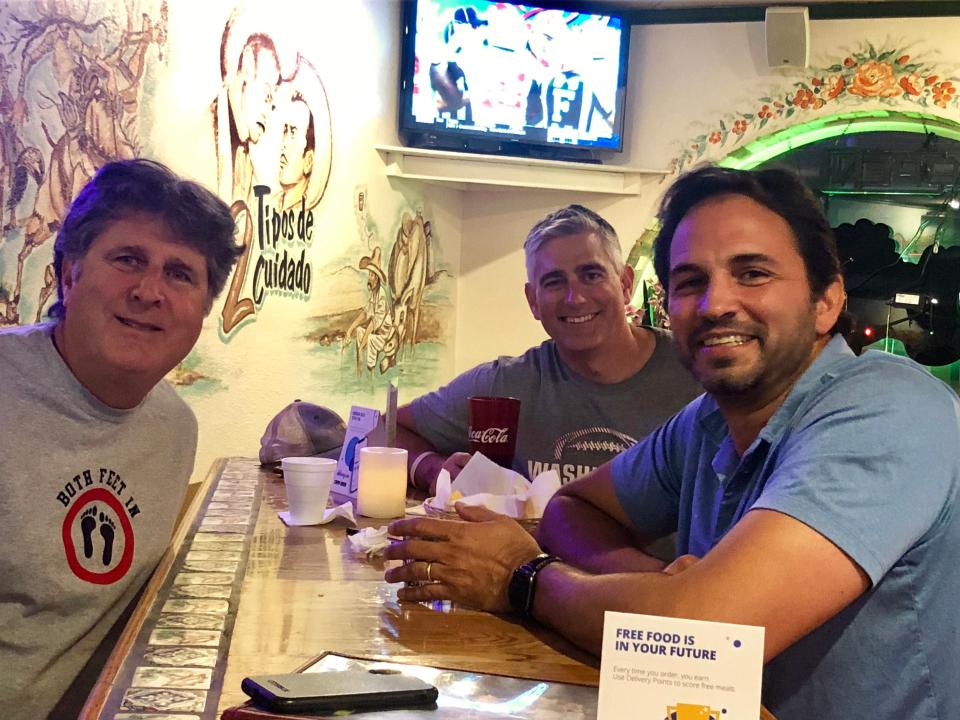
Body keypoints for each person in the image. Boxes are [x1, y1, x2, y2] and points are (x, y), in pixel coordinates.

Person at [385, 166, 960, 719]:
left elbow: (702, 637)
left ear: (826, 300)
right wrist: (661, 587)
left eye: (753, 273)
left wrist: (524, 578)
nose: (715, 304)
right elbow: (573, 509)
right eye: (691, 282)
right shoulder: (706, 420)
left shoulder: (890, 409)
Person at [0, 159, 242, 720]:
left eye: (180, 273)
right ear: (69, 272)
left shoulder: (174, 427)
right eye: (129, 259)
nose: (149, 291)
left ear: (202, 311)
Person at [398, 204, 700, 494]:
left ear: (624, 283)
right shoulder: (504, 384)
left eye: (591, 275)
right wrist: (432, 471)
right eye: (554, 282)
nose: (575, 298)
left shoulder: (696, 370)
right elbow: (388, 428)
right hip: (524, 550)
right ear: (533, 300)